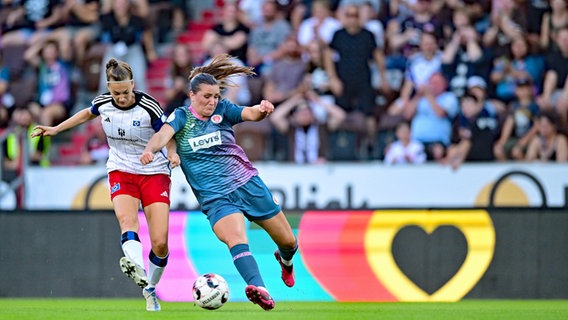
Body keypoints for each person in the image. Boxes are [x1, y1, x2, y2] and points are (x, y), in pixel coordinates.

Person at [140, 54, 298, 311]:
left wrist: (262, 110)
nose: (212, 101)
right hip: (216, 198)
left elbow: (249, 113)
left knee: (289, 242)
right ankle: (260, 289)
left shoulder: (223, 110)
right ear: (192, 95)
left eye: (215, 96)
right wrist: (150, 150)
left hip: (248, 185)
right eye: (207, 97)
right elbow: (162, 135)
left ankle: (286, 261)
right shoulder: (181, 117)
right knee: (236, 238)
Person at [30, 58, 175, 312]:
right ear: (109, 87)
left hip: (153, 172)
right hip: (121, 170)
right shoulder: (103, 102)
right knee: (127, 222)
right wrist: (56, 129)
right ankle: (137, 267)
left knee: (160, 243)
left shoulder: (149, 106)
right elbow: (86, 114)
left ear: (133, 84)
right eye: (115, 93)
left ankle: (150, 288)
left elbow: (166, 132)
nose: (120, 98)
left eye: (125, 92)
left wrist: (172, 153)